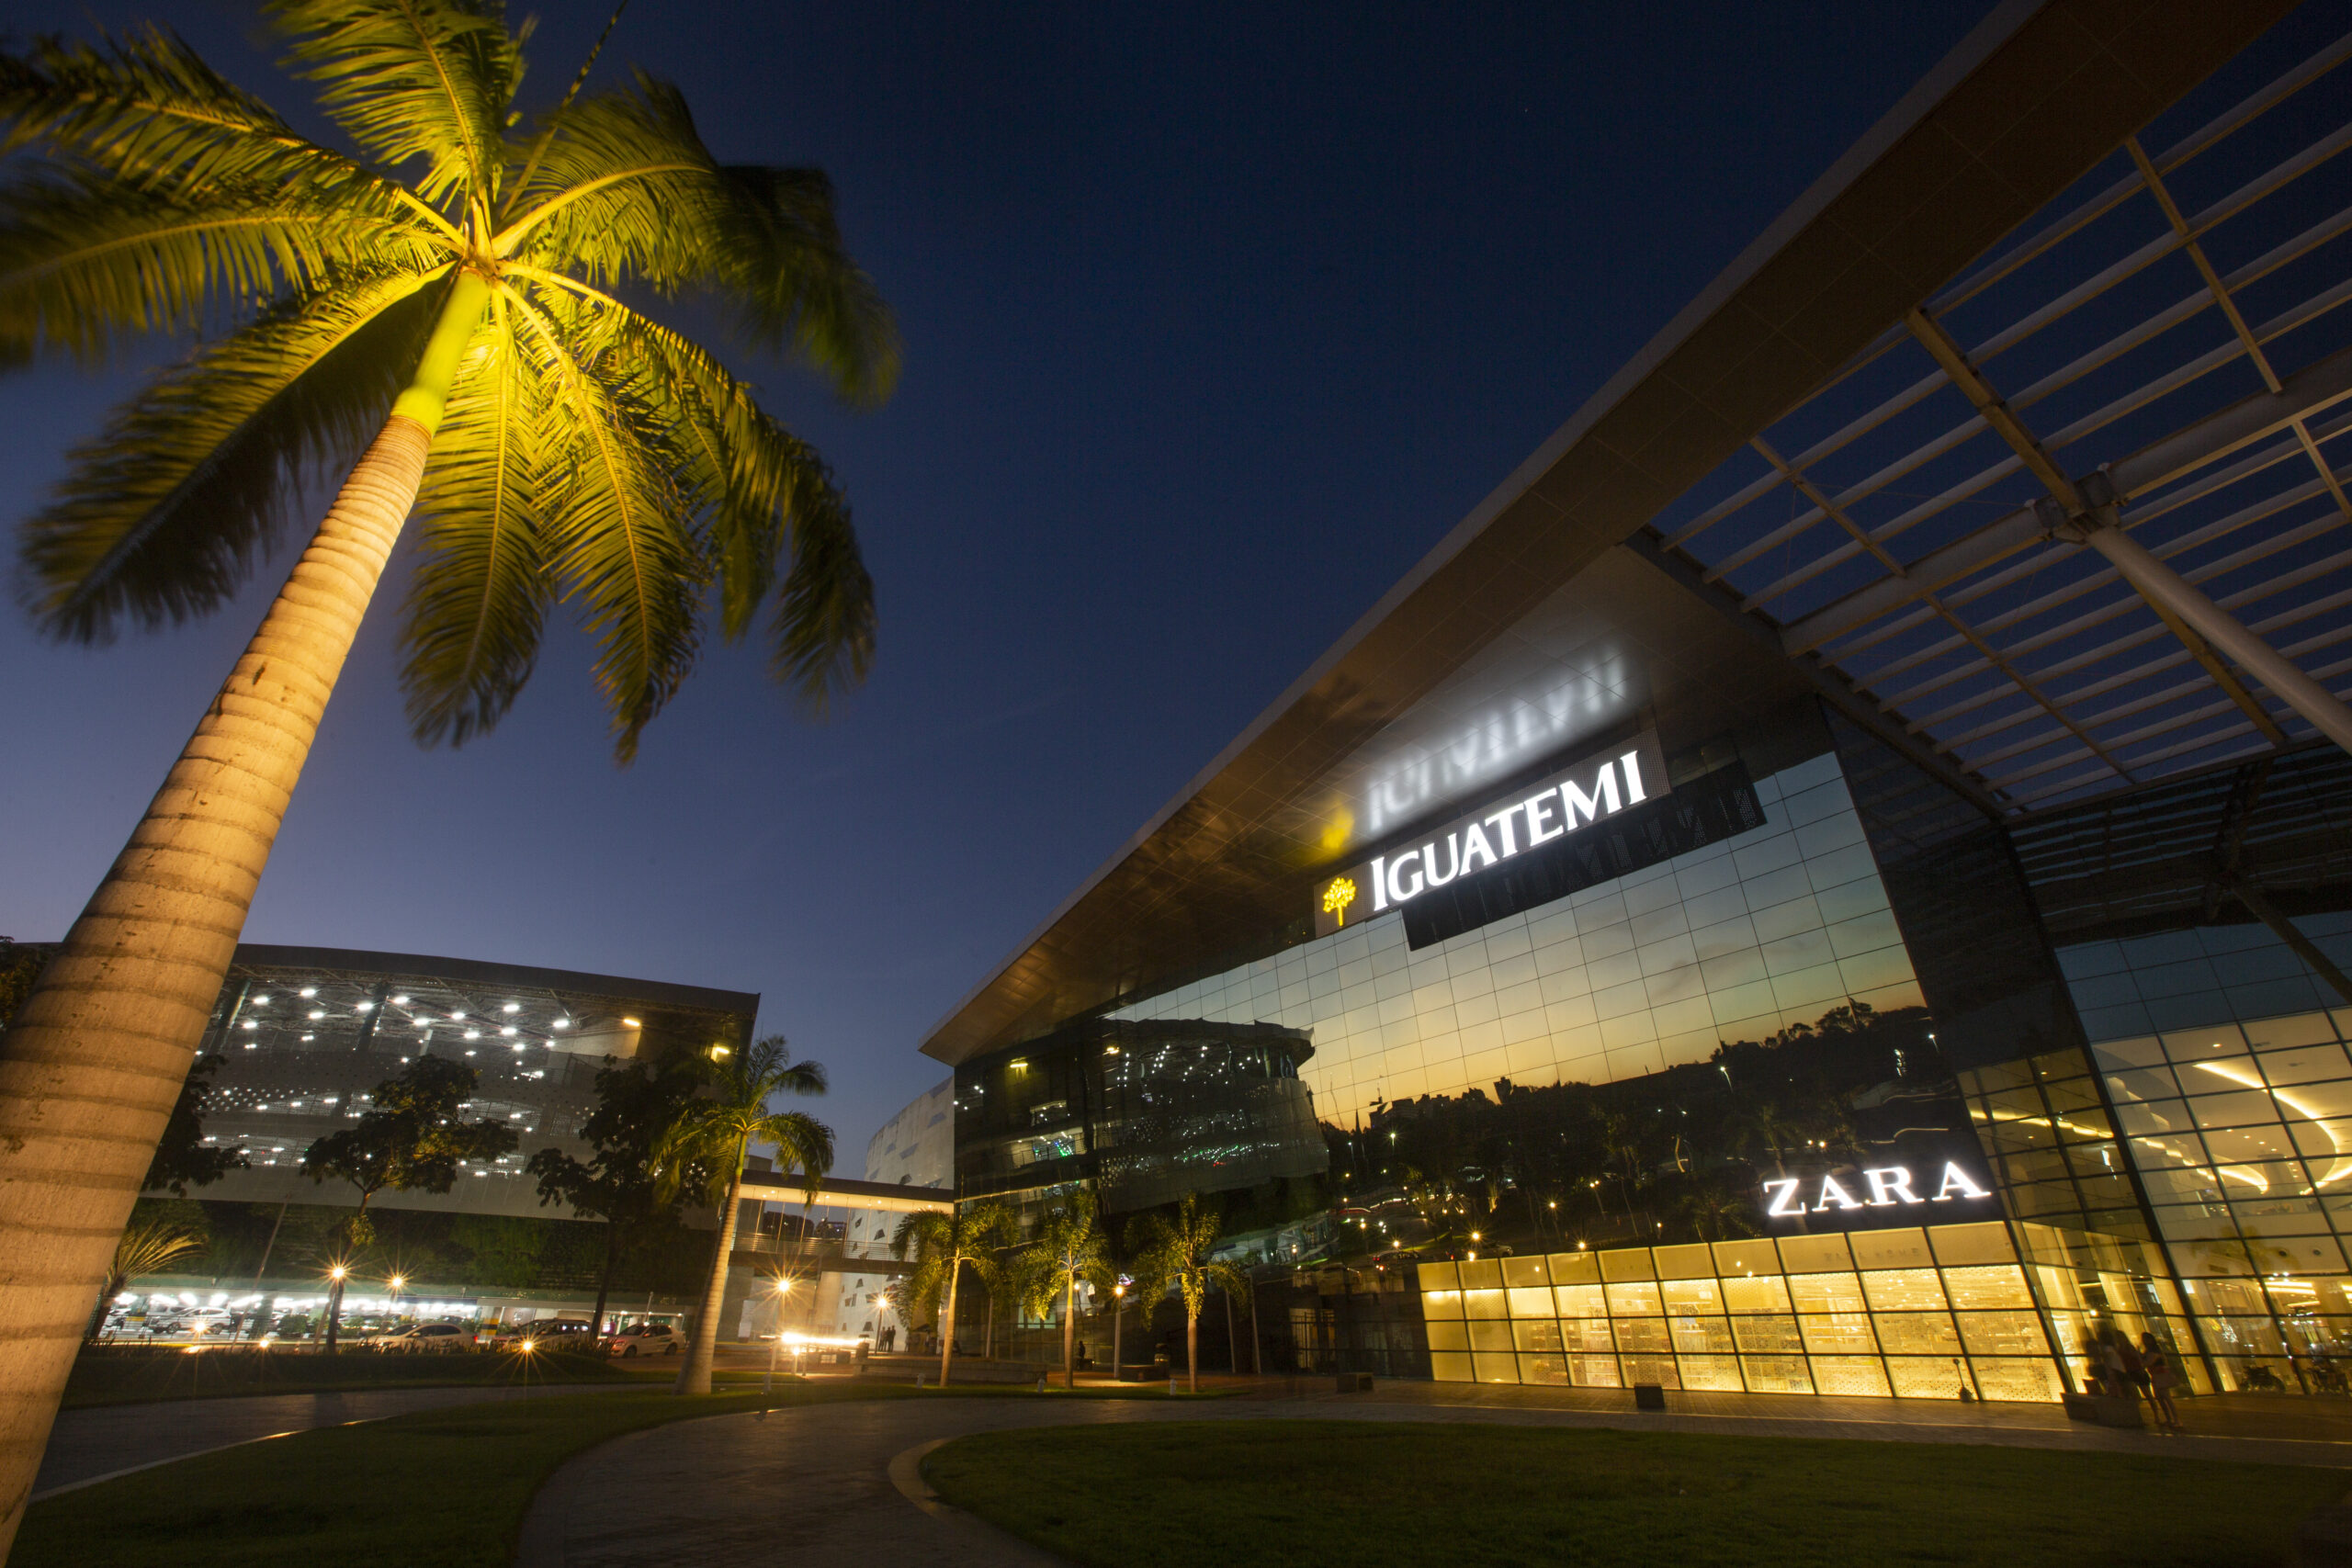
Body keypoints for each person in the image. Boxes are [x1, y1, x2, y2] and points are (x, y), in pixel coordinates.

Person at [2140, 1332, 2183, 1432]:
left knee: (2166, 1398)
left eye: (2146, 1339)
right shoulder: (2151, 1351)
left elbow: (2148, 1363)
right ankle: (2170, 1419)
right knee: (2161, 1398)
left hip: (2160, 1375)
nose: (2144, 1341)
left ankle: (2176, 1420)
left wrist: (2141, 1360)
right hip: (2157, 1375)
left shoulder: (2153, 1351)